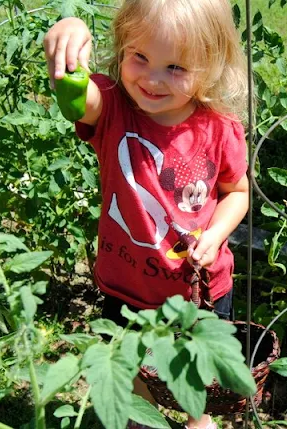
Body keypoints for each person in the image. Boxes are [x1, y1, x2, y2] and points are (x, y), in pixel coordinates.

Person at [43, 0, 250, 428]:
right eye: (139, 57)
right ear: (122, 46)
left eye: (176, 67)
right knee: (132, 362)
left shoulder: (219, 128)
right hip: (126, 284)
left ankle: (198, 419)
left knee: (196, 370)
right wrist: (68, 31)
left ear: (211, 66)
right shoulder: (114, 108)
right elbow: (78, 99)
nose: (152, 79)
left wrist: (215, 234)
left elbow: (238, 193)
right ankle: (143, 416)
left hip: (198, 290)